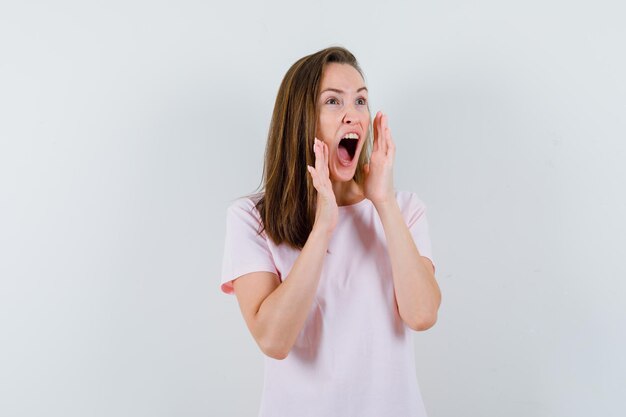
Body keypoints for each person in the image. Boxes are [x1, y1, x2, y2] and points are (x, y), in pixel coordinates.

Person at [220, 46, 441, 417]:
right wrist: (323, 226)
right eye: (333, 102)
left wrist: (382, 203)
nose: (353, 115)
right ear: (300, 119)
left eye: (360, 101)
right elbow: (273, 339)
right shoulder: (250, 219)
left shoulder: (403, 209)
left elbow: (422, 315)